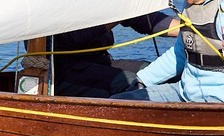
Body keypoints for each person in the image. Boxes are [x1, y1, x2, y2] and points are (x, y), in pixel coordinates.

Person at [52, 13, 180, 98]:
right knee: (133, 82)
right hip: (62, 71)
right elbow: (73, 38)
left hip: (101, 60)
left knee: (159, 73)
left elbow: (143, 19)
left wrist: (188, 29)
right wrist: (117, 13)